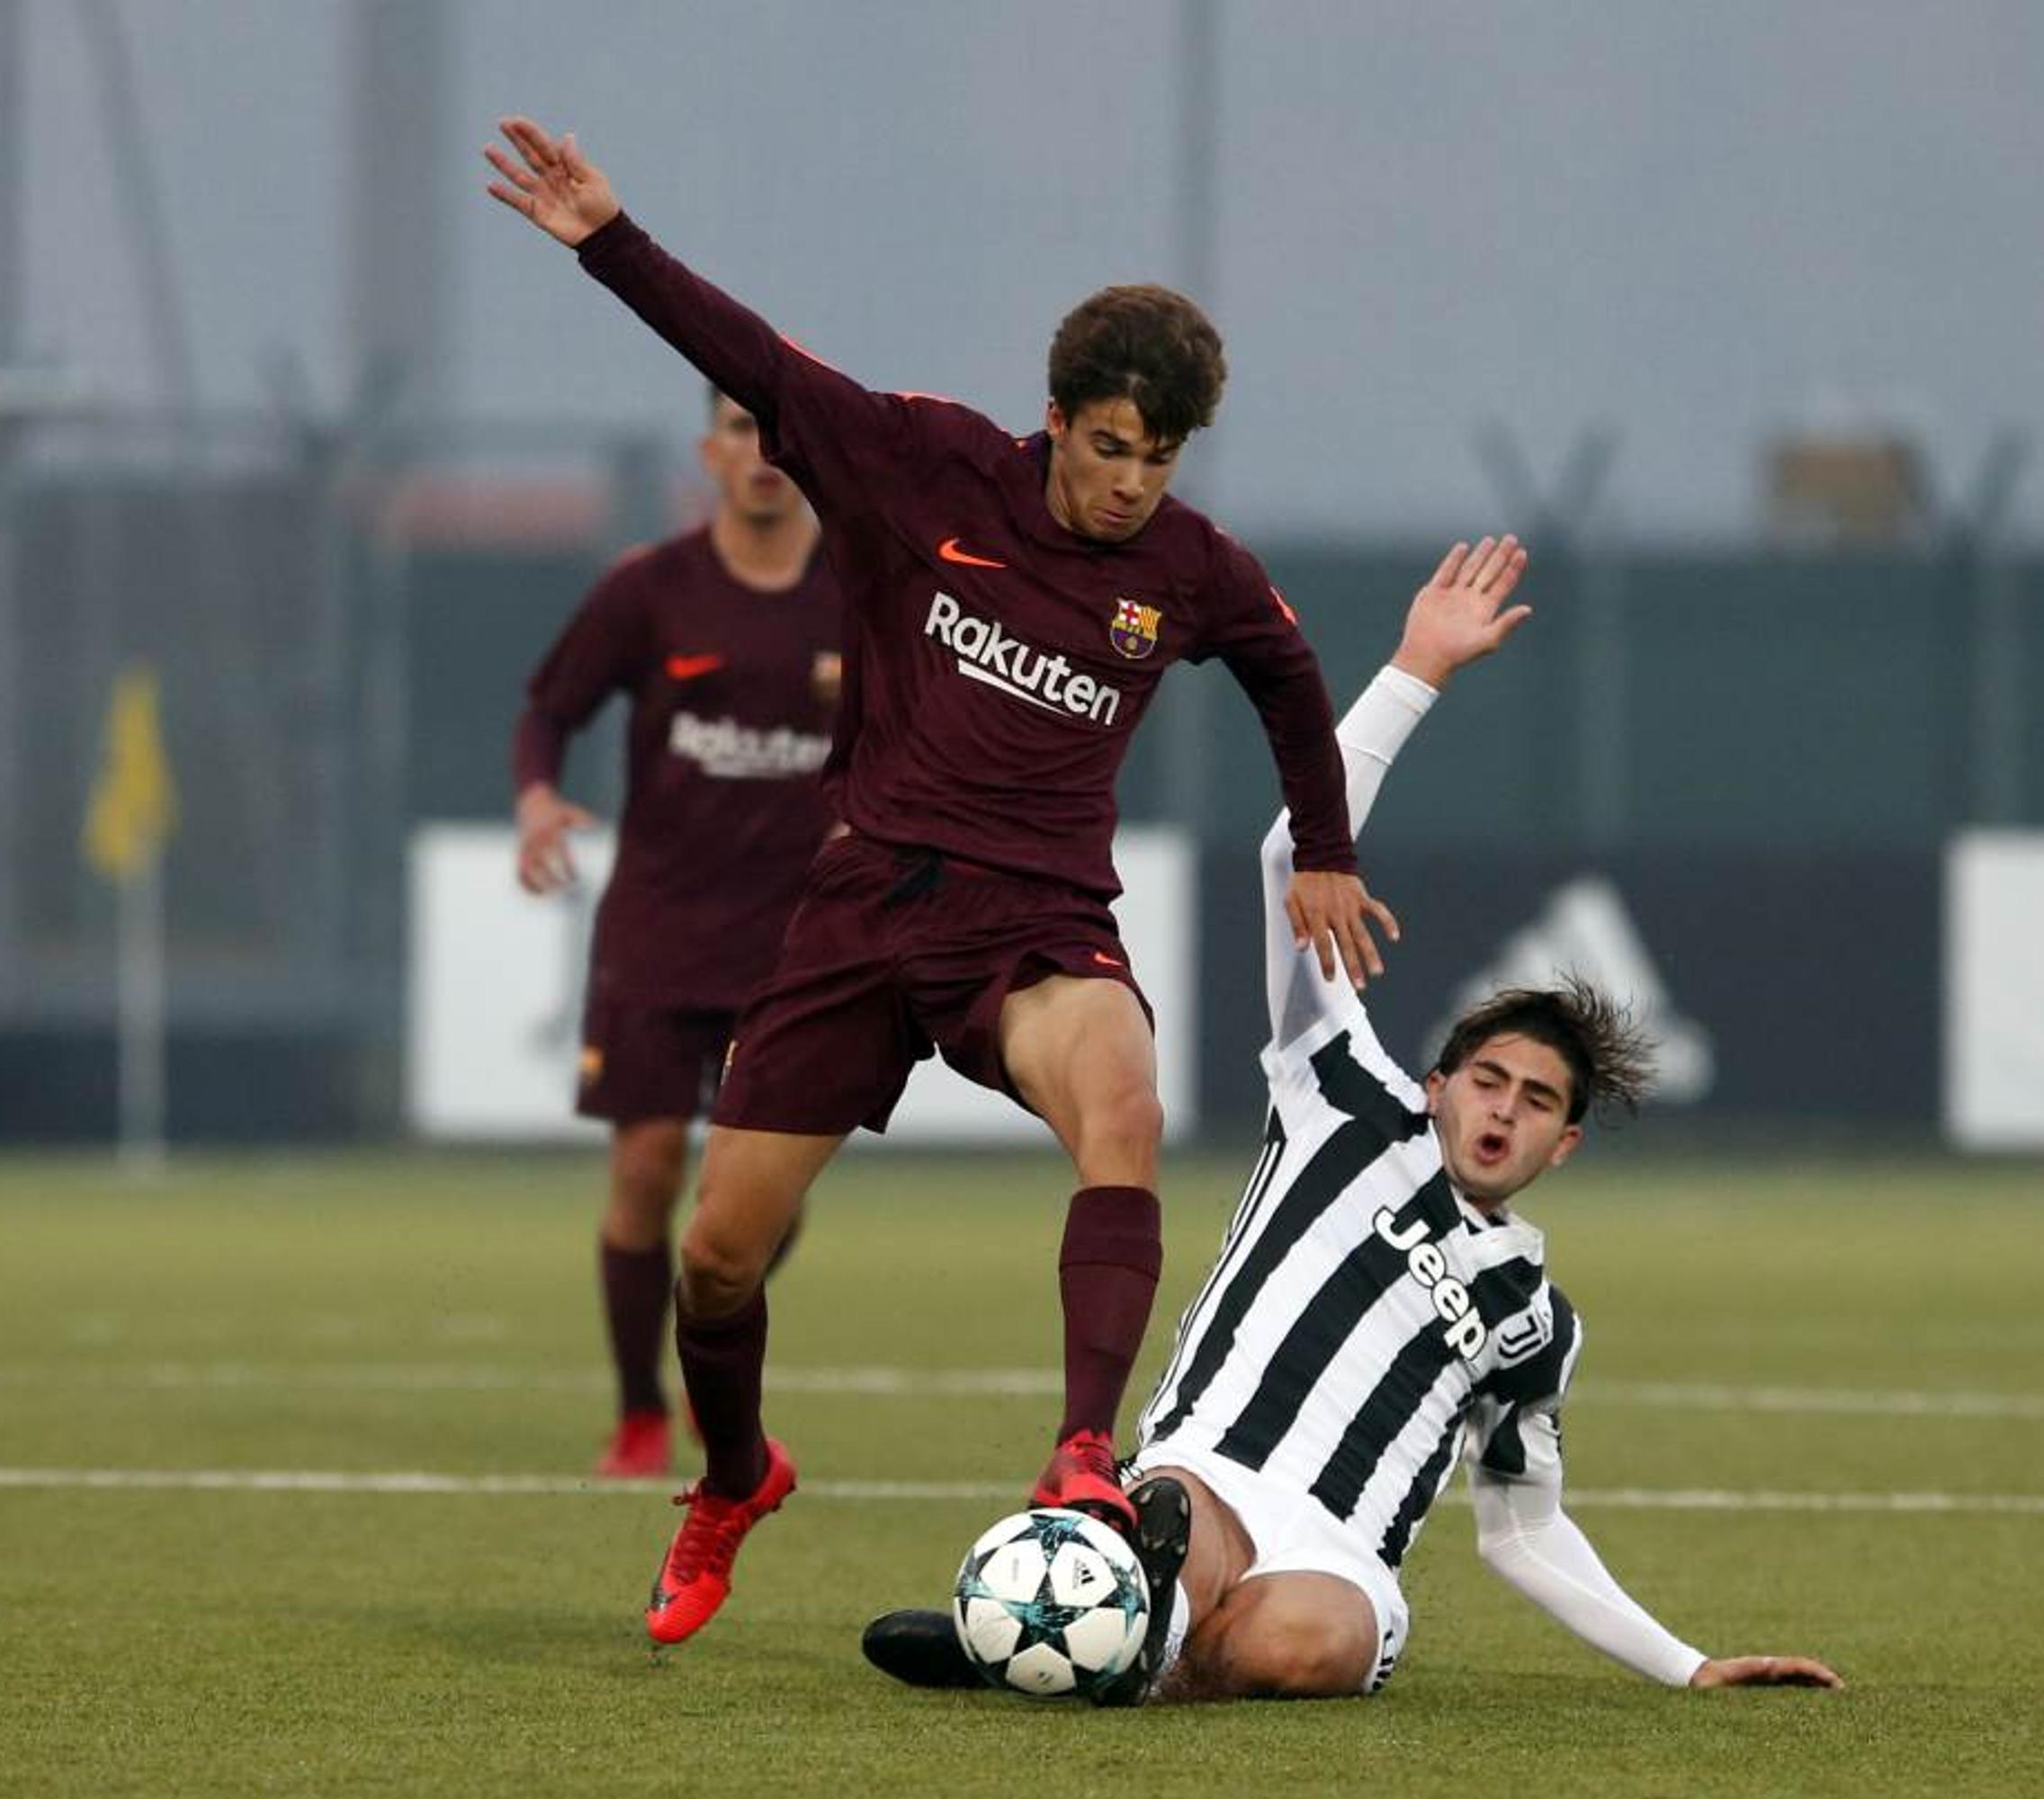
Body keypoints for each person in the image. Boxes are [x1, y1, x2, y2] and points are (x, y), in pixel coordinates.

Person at [483, 115, 1398, 1647]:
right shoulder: (922, 465)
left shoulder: (1189, 568)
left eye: (1157, 460)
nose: (1128, 485)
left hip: (1033, 924)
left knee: (1127, 1107)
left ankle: (1086, 1455)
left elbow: (1289, 676)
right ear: (1055, 421)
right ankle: (732, 1475)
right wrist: (608, 242)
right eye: (1109, 449)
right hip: (862, 908)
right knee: (718, 1259)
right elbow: (766, 366)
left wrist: (1324, 846)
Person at [864, 537, 1843, 1703]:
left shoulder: (1532, 1315)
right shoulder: (1338, 1090)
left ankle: (1084, 1645)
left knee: (1299, 1642)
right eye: (1488, 1080)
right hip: (1205, 1479)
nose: (1503, 1112)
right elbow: (1293, 852)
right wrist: (1418, 667)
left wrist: (1687, 1666)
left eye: (1537, 1104)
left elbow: (1522, 1533)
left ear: (1561, 1146)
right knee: (1169, 1514)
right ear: (1437, 1082)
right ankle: (1102, 1618)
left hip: (1342, 1559)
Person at [513, 389, 843, 1477]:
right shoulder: (649, 590)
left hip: (797, 945)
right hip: (658, 930)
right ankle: (641, 1409)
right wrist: (535, 799)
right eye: (741, 431)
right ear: (710, 452)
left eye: (778, 432)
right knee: (647, 1165)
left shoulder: (860, 593)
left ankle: (711, 1340)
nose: (761, 453)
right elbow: (549, 704)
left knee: (754, 1198)